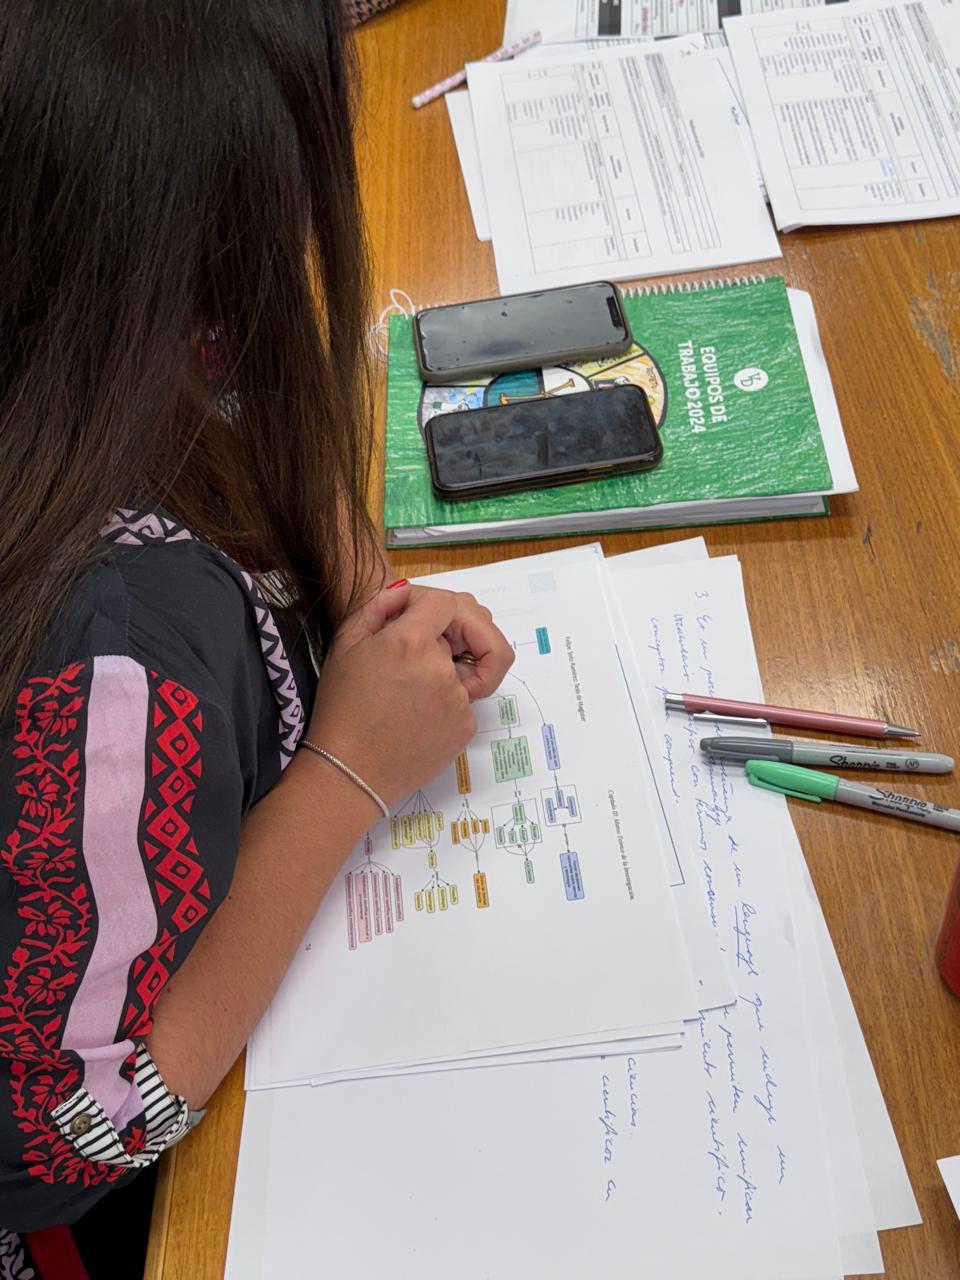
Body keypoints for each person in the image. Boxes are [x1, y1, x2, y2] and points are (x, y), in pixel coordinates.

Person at [0, 2, 514, 1274]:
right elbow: (69, 1136)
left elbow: (238, 389)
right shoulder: (106, 655)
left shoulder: (103, 319)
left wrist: (362, 587)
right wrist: (346, 773)